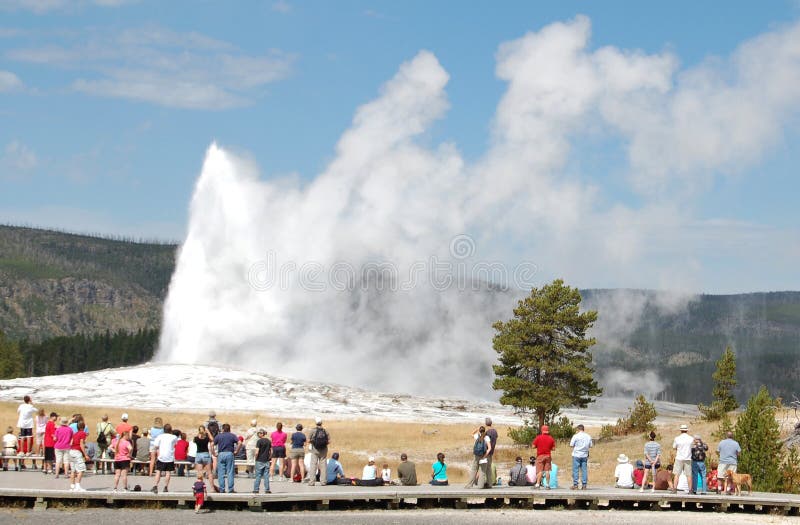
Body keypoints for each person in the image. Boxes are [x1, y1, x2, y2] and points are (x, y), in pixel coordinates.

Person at [213, 423, 241, 493]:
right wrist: (236, 451)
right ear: (229, 429)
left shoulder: (219, 436)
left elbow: (212, 444)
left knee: (221, 472)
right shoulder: (232, 435)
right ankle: (231, 489)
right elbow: (240, 442)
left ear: (222, 429)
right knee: (230, 472)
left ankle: (222, 489)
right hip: (229, 453)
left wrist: (213, 452)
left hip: (221, 454)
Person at [151, 423, 178, 494]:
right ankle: (166, 487)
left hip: (161, 456)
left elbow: (156, 445)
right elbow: (176, 443)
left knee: (158, 471)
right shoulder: (173, 437)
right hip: (170, 457)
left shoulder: (160, 436)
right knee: (168, 472)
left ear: (164, 430)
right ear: (170, 430)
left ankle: (155, 486)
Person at [672, 423, 694, 493]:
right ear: (686, 430)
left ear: (681, 430)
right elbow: (692, 447)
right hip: (688, 458)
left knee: (677, 474)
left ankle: (674, 489)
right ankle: (690, 490)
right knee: (689, 475)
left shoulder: (677, 438)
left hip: (679, 458)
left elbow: (674, 447)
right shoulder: (691, 438)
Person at [307, 417, 329, 486]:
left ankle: (312, 482)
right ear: (321, 423)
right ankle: (323, 482)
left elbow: (308, 440)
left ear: (316, 423)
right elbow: (329, 441)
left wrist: (313, 442)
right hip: (324, 450)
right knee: (323, 466)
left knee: (313, 465)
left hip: (315, 450)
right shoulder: (325, 431)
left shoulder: (312, 431)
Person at [569, 423, 592, 490]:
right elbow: (591, 445)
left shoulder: (575, 436)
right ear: (583, 429)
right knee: (584, 470)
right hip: (584, 455)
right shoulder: (588, 436)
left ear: (578, 429)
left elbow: (571, 445)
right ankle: (584, 485)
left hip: (576, 454)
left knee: (576, 470)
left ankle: (575, 485)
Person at [68, 421, 89, 491]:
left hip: (71, 451)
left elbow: (72, 443)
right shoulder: (83, 433)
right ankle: (78, 486)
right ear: (84, 427)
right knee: (81, 469)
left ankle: (72, 486)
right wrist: (85, 455)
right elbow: (81, 443)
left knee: (73, 470)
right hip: (77, 452)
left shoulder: (75, 434)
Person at [532, 425, 555, 489]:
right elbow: (553, 449)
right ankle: (547, 485)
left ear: (542, 431)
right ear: (548, 431)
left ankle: (537, 484)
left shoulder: (538, 437)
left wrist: (538, 446)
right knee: (547, 471)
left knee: (540, 471)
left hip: (540, 455)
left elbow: (533, 446)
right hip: (548, 456)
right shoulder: (551, 438)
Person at [16, 395, 37, 460]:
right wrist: (32, 403)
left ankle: (21, 451)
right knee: (29, 437)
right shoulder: (30, 406)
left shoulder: (21, 406)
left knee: (22, 437)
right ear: (29, 400)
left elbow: (18, 411)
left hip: (22, 423)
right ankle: (28, 451)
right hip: (29, 424)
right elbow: (36, 410)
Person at [253, 428, 272, 494]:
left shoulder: (259, 441)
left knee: (258, 475)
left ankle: (256, 489)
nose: (258, 434)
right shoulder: (269, 441)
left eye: (259, 433)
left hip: (259, 460)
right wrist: (269, 457)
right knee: (266, 475)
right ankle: (267, 489)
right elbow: (271, 452)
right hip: (266, 460)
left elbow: (257, 452)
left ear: (262, 434)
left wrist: (255, 458)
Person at [484, 417, 499, 485]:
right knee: (489, 466)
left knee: (485, 467)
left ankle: (487, 481)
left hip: (486, 451)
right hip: (492, 451)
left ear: (486, 424)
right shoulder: (495, 431)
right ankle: (489, 481)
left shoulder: (487, 432)